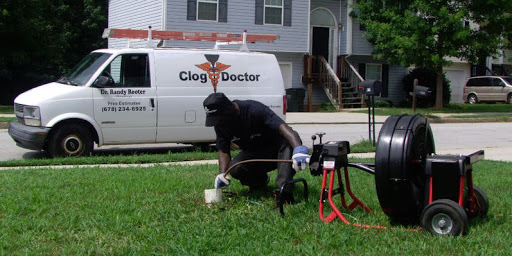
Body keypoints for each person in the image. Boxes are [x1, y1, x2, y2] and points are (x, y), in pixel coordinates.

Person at [203, 92, 309, 202]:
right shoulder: (221, 124)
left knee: (287, 145)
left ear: (229, 109)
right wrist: (222, 174)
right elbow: (223, 150)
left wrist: (298, 149)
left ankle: (284, 193)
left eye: (219, 118)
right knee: (236, 167)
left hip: (279, 149)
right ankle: (259, 183)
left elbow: (284, 129)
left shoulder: (254, 109)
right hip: (257, 153)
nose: (218, 123)